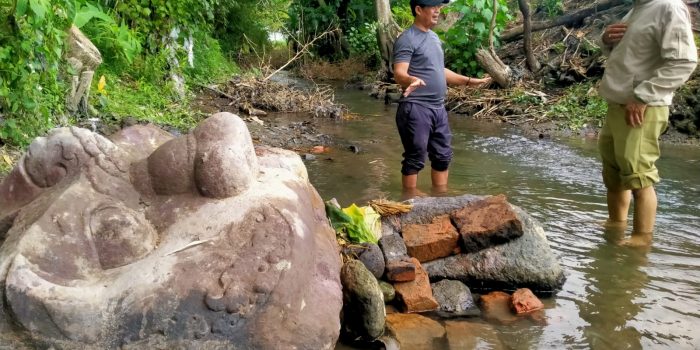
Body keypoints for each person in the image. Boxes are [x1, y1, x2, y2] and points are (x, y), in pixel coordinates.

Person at [598, 0, 697, 247]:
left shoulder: (668, 7)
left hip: (642, 107)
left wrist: (643, 96)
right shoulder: (637, 8)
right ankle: (616, 223)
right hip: (617, 102)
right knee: (614, 172)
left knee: (638, 173)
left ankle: (642, 238)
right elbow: (630, 55)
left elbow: (683, 61)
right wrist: (606, 40)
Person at [393, 0, 491, 198]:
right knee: (415, 157)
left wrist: (470, 81)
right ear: (419, 10)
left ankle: (440, 196)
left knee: (443, 156)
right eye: (433, 6)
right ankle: (409, 198)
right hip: (416, 107)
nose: (438, 10)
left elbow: (440, 70)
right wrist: (411, 79)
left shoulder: (435, 38)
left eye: (440, 6)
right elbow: (398, 73)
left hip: (438, 108)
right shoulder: (407, 39)